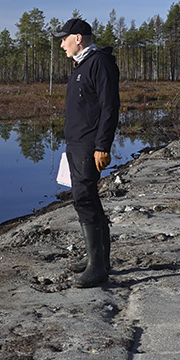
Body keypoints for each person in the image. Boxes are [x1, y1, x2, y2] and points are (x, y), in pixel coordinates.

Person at [53, 18, 120, 288]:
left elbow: (109, 107)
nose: (61, 44)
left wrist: (102, 145)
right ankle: (98, 259)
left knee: (84, 199)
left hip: (89, 145)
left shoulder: (99, 63)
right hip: (76, 143)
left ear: (78, 37)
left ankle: (98, 268)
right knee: (87, 198)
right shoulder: (82, 64)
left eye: (63, 38)